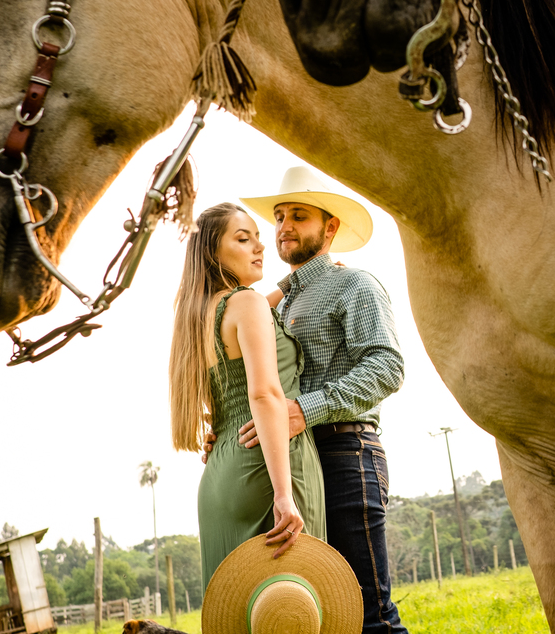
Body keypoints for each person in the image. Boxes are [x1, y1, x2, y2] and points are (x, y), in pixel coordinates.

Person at [208, 166, 409, 634]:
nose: (284, 228)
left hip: (346, 453)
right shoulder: (272, 301)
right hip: (299, 462)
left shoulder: (355, 284)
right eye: (279, 217)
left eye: (298, 215)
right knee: (320, 614)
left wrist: (302, 410)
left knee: (371, 613)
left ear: (330, 228)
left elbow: (388, 367)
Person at [169, 202, 325, 591]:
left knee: (238, 614)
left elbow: (255, 310)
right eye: (243, 239)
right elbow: (266, 394)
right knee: (298, 609)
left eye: (258, 237)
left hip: (220, 478)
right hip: (267, 468)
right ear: (212, 253)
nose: (260, 247)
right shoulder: (246, 302)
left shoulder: (197, 315)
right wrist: (284, 495)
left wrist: (291, 284)